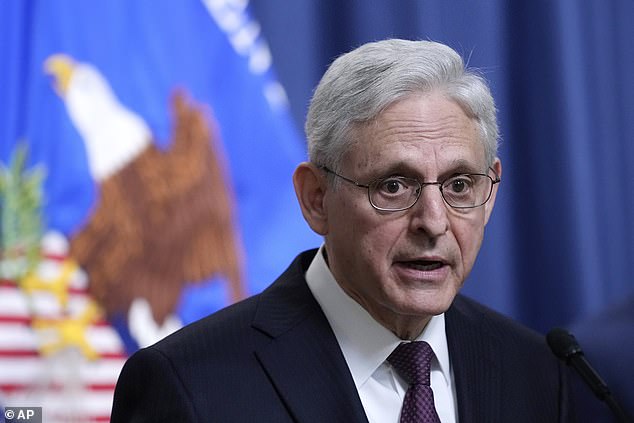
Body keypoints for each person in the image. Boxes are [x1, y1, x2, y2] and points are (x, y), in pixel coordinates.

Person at [111, 39, 575, 422]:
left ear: (490, 191)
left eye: (458, 184)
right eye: (393, 186)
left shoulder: (539, 374)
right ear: (316, 199)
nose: (433, 222)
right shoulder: (189, 386)